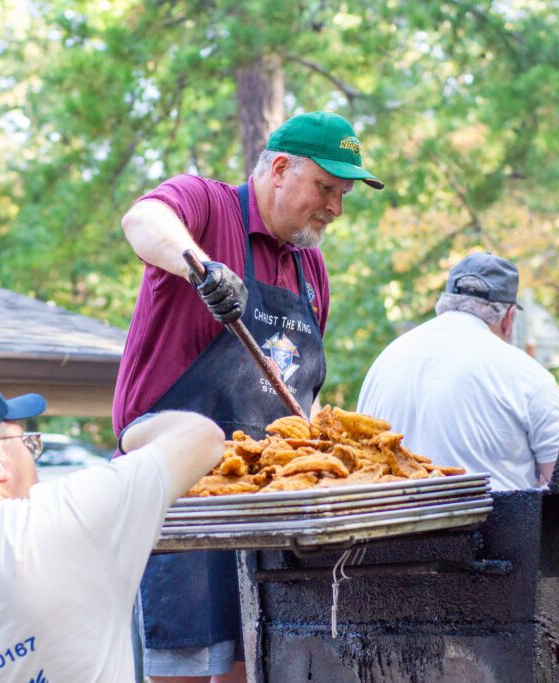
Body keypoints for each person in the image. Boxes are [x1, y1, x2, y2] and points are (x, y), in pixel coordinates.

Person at [114, 111, 383, 682]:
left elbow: (299, 397)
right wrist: (200, 267)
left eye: (344, 194)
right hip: (183, 501)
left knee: (255, 665)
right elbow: (143, 218)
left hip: (268, 503)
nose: (336, 207)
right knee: (183, 668)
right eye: (327, 188)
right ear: (280, 168)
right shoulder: (206, 207)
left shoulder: (310, 268)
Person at [0, 373, 223, 683]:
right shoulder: (58, 522)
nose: (33, 456)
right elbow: (202, 437)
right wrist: (130, 433)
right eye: (27, 443)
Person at [357, 252, 559, 491]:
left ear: (445, 304)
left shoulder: (386, 360)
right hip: (492, 525)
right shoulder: (526, 374)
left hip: (392, 523)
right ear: (509, 318)